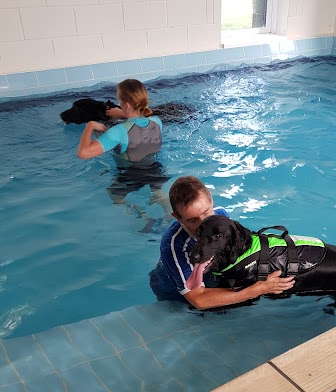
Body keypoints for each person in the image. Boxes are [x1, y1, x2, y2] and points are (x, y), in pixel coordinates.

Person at [149, 176, 295, 310]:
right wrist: (258, 289)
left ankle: (160, 199)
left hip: (206, 268)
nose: (203, 225)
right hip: (172, 286)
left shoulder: (220, 216)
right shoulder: (173, 246)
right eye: (193, 220)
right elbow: (198, 300)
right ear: (178, 218)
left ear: (211, 200)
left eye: (206, 212)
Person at [77, 78, 172, 220]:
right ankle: (172, 218)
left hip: (131, 175)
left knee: (114, 195)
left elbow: (83, 153)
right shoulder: (157, 122)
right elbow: (144, 115)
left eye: (120, 101)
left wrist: (89, 126)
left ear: (126, 105)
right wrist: (122, 113)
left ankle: (144, 217)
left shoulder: (119, 132)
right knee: (159, 194)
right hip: (155, 169)